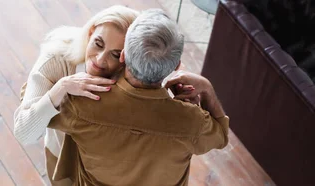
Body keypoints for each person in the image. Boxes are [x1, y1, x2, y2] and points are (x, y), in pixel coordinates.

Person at [48, 9, 229, 186]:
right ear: (176, 67)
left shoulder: (80, 103)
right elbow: (221, 135)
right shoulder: (192, 122)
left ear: (124, 56)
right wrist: (206, 87)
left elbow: (38, 112)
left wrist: (61, 85)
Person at [13, 5, 140, 185]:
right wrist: (61, 87)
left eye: (115, 54)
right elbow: (24, 133)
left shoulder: (135, 78)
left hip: (109, 172)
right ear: (90, 32)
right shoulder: (57, 57)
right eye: (98, 44)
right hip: (61, 161)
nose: (100, 60)